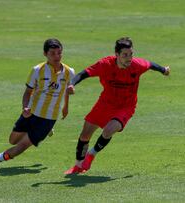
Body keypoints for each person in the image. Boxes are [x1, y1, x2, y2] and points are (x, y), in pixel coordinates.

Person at [64, 37, 170, 174]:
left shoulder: (137, 65)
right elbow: (84, 74)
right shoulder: (105, 64)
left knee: (109, 130)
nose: (129, 58)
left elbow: (151, 65)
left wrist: (164, 70)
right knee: (85, 135)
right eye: (125, 55)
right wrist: (72, 84)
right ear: (117, 55)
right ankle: (78, 166)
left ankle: (91, 154)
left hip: (126, 106)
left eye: (131, 54)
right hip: (105, 103)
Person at [0, 38, 75, 169]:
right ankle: (45, 130)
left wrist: (66, 107)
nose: (57, 56)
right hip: (32, 112)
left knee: (22, 145)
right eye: (53, 53)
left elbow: (67, 90)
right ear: (45, 54)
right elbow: (28, 92)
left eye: (59, 53)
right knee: (13, 140)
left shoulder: (69, 72)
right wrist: (25, 108)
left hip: (50, 117)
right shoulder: (37, 70)